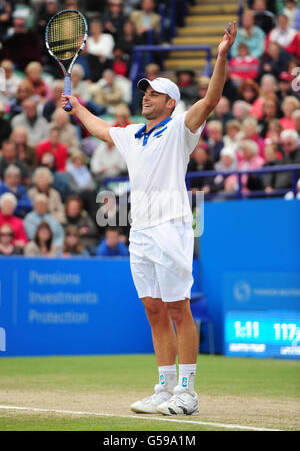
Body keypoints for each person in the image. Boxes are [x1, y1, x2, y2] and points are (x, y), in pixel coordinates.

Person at [61, 22, 237, 416]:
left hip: (172, 227)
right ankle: (166, 386)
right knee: (154, 310)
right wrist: (77, 107)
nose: (146, 97)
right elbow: (102, 129)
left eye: (155, 93)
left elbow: (210, 101)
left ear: (170, 103)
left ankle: (188, 393)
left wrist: (222, 56)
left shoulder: (180, 129)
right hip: (139, 232)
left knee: (179, 309)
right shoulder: (132, 135)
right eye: (145, 91)